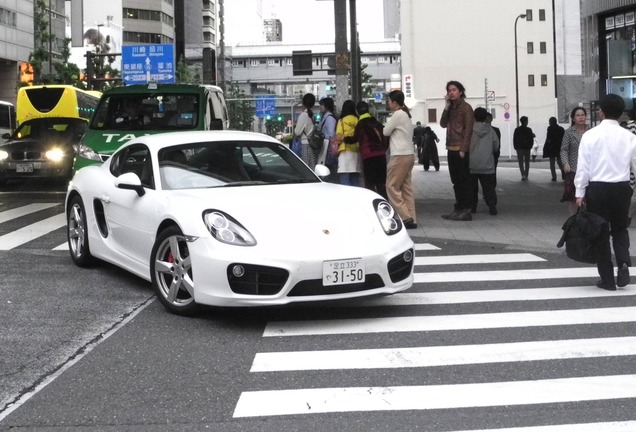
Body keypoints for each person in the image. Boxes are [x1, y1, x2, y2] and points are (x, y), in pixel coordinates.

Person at [574, 93, 636, 291]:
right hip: (621, 187)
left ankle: (607, 279)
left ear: (601, 112)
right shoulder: (630, 137)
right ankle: (624, 262)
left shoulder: (590, 136)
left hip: (598, 189)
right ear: (621, 114)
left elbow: (583, 167)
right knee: (620, 229)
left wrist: (579, 192)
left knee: (600, 233)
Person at [440, 80, 474, 221]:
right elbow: (442, 123)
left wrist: (463, 148)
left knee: (463, 180)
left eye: (454, 90)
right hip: (450, 147)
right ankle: (458, 208)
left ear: (460, 91)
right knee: (455, 181)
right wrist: (446, 107)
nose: (451, 93)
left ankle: (466, 210)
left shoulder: (466, 108)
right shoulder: (451, 108)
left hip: (460, 148)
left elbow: (468, 130)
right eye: (449, 90)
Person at [383, 90, 417, 229]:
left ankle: (405, 216)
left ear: (395, 103)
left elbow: (385, 131)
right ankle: (412, 218)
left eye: (389, 101)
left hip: (399, 155)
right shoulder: (406, 114)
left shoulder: (398, 114)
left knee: (391, 186)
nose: (388, 103)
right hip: (409, 154)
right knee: (406, 187)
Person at [344, 101, 388, 199]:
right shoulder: (376, 122)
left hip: (369, 157)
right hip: (381, 156)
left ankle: (374, 205)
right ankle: (385, 204)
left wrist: (344, 138)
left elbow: (354, 139)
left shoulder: (360, 124)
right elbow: (386, 136)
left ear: (357, 111)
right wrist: (383, 149)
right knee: (381, 184)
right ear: (368, 109)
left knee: (370, 185)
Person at [469, 107, 500, 215]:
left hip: (472, 163)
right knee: (489, 188)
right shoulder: (491, 130)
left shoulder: (470, 129)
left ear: (474, 116)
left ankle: (473, 207)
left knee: (472, 188)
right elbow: (496, 146)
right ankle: (492, 206)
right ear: (486, 117)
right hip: (487, 164)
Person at [560, 107, 588, 215]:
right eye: (578, 115)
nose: (581, 117)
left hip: (588, 169)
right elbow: (564, 149)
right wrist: (565, 163)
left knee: (588, 197)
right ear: (573, 118)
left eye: (582, 115)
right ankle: (572, 220)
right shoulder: (569, 132)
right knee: (572, 197)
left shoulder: (591, 132)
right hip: (573, 169)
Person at [334, 99, 361, 186]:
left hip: (344, 151)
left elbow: (339, 136)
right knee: (355, 177)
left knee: (344, 177)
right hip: (356, 151)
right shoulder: (357, 120)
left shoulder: (341, 121)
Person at [316, 97, 338, 183]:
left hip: (329, 149)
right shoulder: (325, 117)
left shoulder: (329, 118)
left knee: (329, 169)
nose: (320, 107)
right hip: (326, 148)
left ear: (326, 106)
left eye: (321, 105)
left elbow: (331, 134)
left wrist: (322, 135)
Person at [294, 93, 317, 169]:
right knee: (311, 167)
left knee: (305, 167)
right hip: (311, 144)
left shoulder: (303, 115)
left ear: (303, 103)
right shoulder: (312, 115)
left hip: (304, 144)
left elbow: (297, 132)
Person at [543, 117, 565, 181]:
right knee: (560, 162)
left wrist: (546, 146)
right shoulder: (561, 129)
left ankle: (554, 177)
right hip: (559, 147)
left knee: (552, 163)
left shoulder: (550, 129)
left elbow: (548, 139)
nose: (549, 123)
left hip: (552, 148)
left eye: (549, 121)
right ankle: (563, 173)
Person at [513, 116, 535, 181]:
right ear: (525, 122)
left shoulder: (517, 130)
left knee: (521, 162)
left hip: (519, 148)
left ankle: (523, 174)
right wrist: (530, 146)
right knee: (527, 162)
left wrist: (515, 146)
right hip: (527, 148)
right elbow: (531, 139)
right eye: (527, 121)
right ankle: (526, 174)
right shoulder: (529, 130)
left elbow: (515, 139)